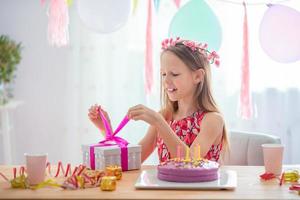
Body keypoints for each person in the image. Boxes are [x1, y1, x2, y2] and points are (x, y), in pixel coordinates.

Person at [88, 37, 229, 164]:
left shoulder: (212, 120)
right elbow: (128, 162)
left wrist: (159, 123)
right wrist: (106, 130)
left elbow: (190, 164)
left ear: (197, 76)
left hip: (200, 193)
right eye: (163, 74)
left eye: (174, 74)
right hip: (165, 192)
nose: (166, 81)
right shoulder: (165, 116)